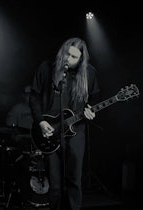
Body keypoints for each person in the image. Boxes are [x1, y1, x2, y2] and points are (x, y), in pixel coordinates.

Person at [29, 37, 100, 210]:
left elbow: (94, 98)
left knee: (74, 181)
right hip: (50, 131)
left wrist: (91, 111)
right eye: (67, 54)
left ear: (81, 60)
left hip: (76, 131)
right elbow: (34, 96)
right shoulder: (46, 69)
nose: (68, 59)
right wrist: (40, 121)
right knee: (55, 185)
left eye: (74, 57)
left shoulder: (89, 73)